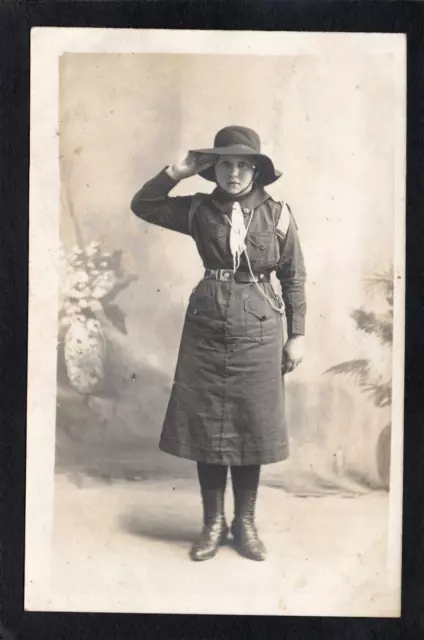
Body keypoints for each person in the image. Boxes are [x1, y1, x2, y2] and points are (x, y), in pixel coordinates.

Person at [131, 125, 306, 562]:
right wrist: (178, 171)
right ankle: (213, 523)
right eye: (225, 163)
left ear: (257, 170)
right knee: (208, 423)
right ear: (214, 168)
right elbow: (144, 205)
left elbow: (293, 277)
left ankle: (244, 525)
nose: (234, 173)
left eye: (243, 164)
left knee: (250, 423)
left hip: (261, 325)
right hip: (207, 323)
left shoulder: (279, 214)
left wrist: (297, 335)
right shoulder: (198, 210)